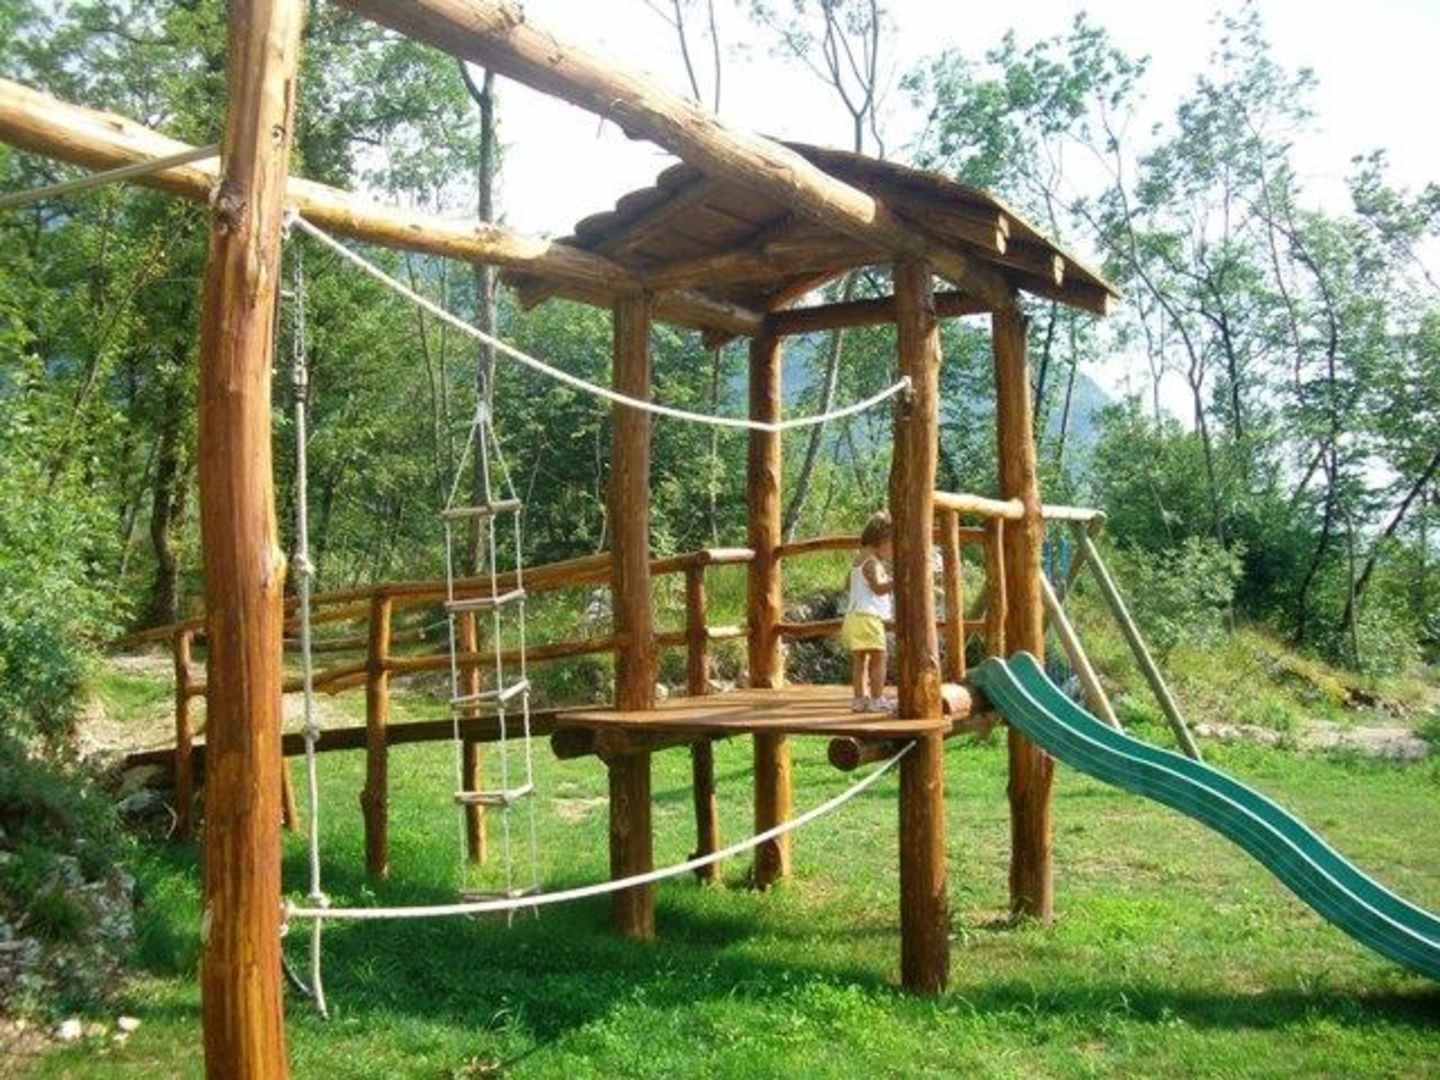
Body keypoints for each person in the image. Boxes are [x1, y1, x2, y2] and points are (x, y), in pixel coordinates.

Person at [840, 510, 895, 713]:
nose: (893, 551)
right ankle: (877, 698)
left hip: (854, 615)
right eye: (892, 545)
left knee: (860, 660)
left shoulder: (858, 561)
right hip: (868, 617)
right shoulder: (872, 563)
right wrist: (896, 580)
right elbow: (878, 588)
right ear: (881, 540)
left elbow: (848, 585)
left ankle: (859, 699)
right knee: (880, 657)